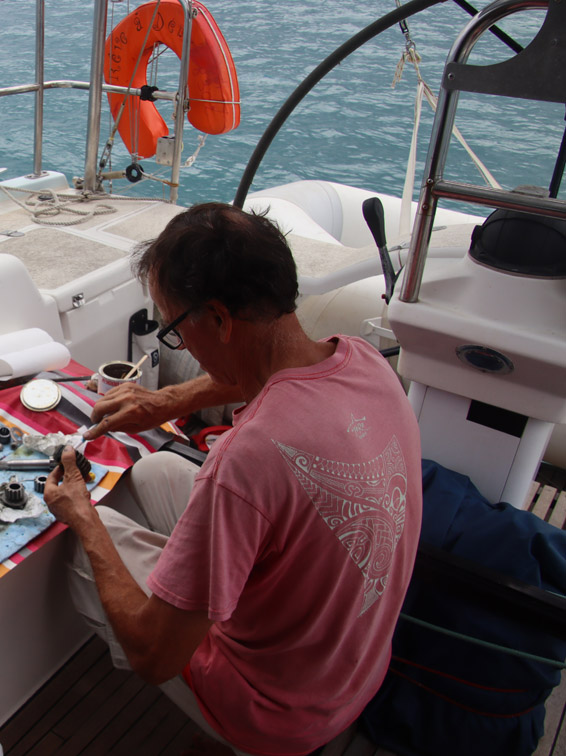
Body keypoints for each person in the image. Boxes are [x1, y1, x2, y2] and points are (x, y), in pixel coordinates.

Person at [44, 203, 422, 756]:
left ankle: (232, 730)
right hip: (353, 669)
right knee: (155, 470)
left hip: (277, 713)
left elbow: (153, 656)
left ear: (219, 320)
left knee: (85, 544)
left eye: (176, 330)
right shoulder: (364, 361)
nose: (179, 344)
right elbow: (267, 367)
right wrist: (167, 401)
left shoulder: (247, 459)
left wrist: (82, 516)